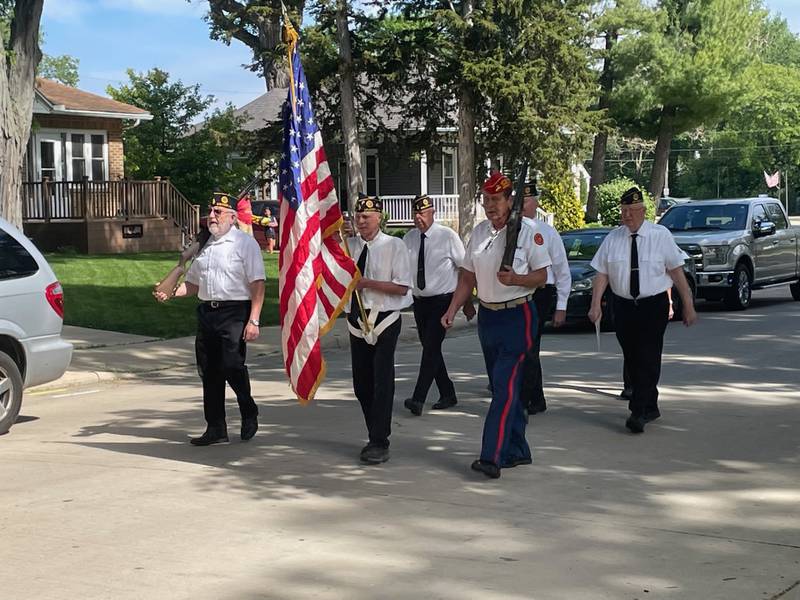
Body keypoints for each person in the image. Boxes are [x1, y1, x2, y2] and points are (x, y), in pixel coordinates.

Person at [441, 172, 551, 479]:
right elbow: (468, 276)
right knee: (506, 386)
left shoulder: (528, 232)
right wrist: (453, 308)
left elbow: (542, 276)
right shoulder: (479, 233)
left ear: (509, 201)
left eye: (496, 199)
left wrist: (516, 279)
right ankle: (518, 449)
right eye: (486, 200)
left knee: (503, 387)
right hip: (488, 317)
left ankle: (492, 455)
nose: (490, 206)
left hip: (518, 315)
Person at [154, 192, 266, 446]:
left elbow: (257, 283)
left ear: (233, 217)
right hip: (208, 312)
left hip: (235, 311)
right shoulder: (204, 247)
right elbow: (193, 285)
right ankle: (216, 427)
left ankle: (248, 409)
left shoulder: (244, 244)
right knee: (209, 371)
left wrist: (254, 319)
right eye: (211, 212)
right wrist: (171, 292)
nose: (212, 217)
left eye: (218, 212)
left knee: (231, 365)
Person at [588, 186, 696, 434]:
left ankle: (638, 411)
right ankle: (650, 404)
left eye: (632, 211)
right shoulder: (613, 238)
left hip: (652, 305)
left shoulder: (661, 236)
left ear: (643, 211)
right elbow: (602, 274)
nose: (626, 216)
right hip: (623, 305)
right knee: (633, 356)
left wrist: (688, 306)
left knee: (648, 354)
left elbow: (677, 273)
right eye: (623, 211)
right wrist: (596, 305)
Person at [345, 194, 413, 465]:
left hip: (385, 318)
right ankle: (373, 429)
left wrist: (368, 283)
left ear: (379, 218)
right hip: (356, 320)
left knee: (382, 381)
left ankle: (378, 440)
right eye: (358, 216)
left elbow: (402, 287)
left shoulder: (394, 246)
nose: (361, 222)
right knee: (362, 384)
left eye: (366, 217)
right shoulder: (348, 246)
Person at [402, 194, 473, 416]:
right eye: (415, 213)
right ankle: (448, 392)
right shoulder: (409, 238)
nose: (418, 218)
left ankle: (418, 398)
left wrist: (466, 302)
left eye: (422, 213)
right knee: (430, 348)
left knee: (431, 347)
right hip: (420, 302)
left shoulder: (447, 237)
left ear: (433, 212)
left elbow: (465, 271)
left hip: (443, 300)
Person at [519, 181, 571, 416]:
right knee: (522, 347)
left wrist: (561, 306)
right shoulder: (511, 230)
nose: (522, 206)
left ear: (536, 203)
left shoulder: (547, 233)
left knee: (530, 347)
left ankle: (529, 398)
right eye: (518, 201)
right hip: (517, 291)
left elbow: (562, 270)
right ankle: (532, 396)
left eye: (527, 201)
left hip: (540, 293)